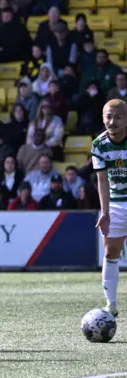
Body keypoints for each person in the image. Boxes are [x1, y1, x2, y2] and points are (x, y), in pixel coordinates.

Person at [92, 99, 127, 317]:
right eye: (108, 117)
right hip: (115, 204)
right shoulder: (99, 144)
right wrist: (105, 212)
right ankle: (111, 305)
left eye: (118, 117)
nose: (112, 122)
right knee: (110, 253)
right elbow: (102, 181)